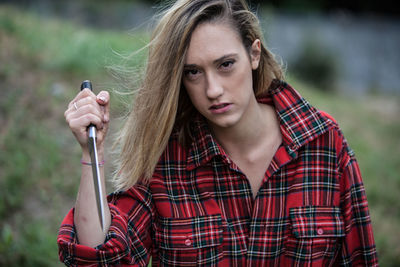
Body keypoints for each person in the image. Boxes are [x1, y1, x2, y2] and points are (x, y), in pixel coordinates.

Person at [58, 0, 378, 266]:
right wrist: (92, 153)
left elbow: (360, 257)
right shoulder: (166, 161)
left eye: (225, 64)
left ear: (254, 54)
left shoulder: (323, 143)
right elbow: (100, 259)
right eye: (193, 72)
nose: (212, 90)